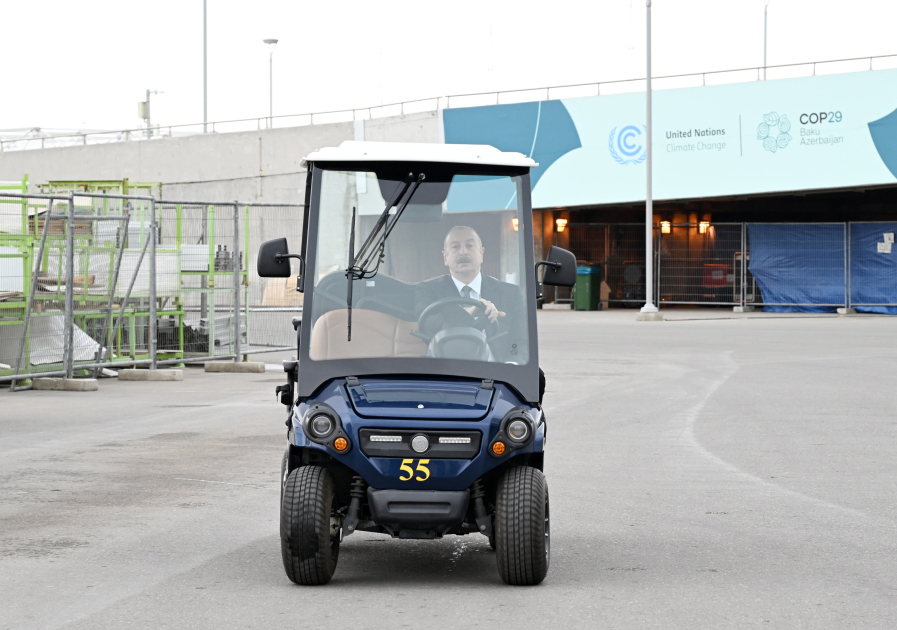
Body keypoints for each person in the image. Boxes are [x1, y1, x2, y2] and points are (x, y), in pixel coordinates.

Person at [414, 226, 528, 363]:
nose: (463, 252)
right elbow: (428, 323)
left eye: (470, 245)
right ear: (445, 257)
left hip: (498, 373)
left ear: (482, 253)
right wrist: (470, 313)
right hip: (448, 373)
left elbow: (519, 342)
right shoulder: (428, 290)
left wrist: (512, 365)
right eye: (455, 247)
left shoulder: (511, 293)